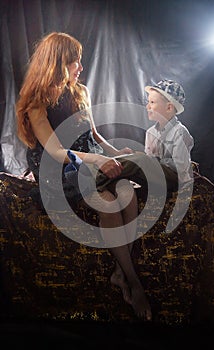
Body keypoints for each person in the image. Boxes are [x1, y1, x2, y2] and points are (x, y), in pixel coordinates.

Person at [15, 31, 152, 321]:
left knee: (126, 189)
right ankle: (134, 281)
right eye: (75, 62)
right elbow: (55, 151)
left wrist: (115, 153)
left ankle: (119, 272)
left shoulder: (81, 91)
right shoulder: (37, 102)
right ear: (57, 63)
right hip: (60, 166)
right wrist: (100, 160)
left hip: (90, 157)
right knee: (105, 198)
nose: (80, 67)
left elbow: (94, 135)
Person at [143, 79, 194, 190]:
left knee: (139, 161)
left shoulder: (180, 132)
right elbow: (148, 159)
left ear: (169, 108)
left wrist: (153, 161)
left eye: (152, 102)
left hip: (176, 179)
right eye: (148, 102)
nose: (147, 107)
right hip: (157, 175)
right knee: (138, 163)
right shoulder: (150, 132)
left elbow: (180, 167)